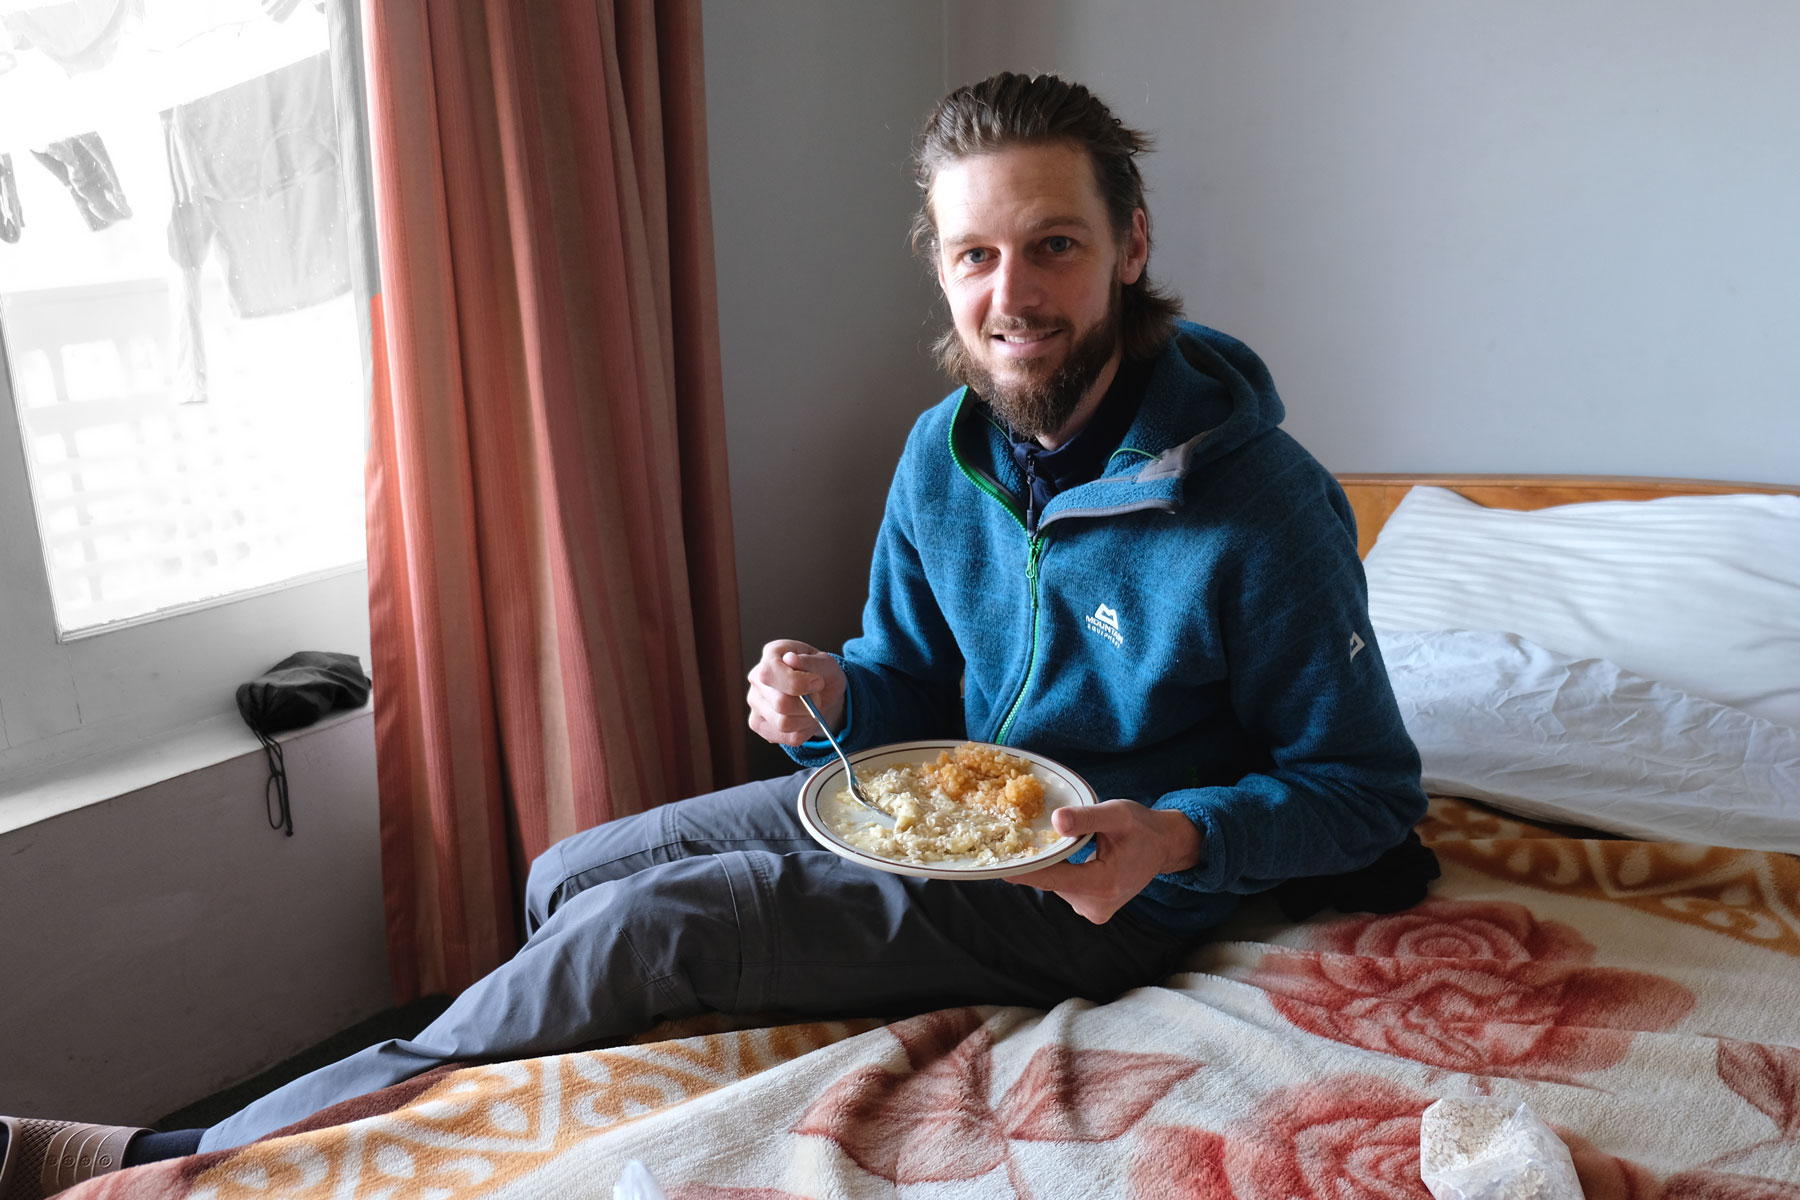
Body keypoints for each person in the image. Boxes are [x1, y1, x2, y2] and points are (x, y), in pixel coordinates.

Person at [0, 71, 1429, 1194]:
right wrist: (826, 692)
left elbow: (1368, 794)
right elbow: (912, 684)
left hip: (1101, 893)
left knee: (652, 931)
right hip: (940, 816)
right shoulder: (946, 452)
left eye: (1053, 246)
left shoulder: (1262, 503)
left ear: (1130, 243)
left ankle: (170, 1157)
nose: (1014, 297)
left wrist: (1177, 842)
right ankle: (513, 1087)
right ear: (938, 265)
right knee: (570, 878)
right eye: (974, 253)